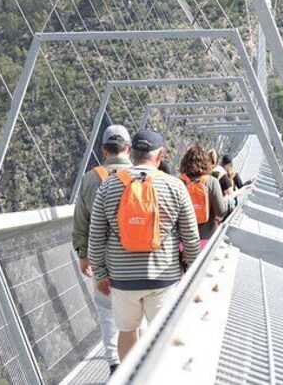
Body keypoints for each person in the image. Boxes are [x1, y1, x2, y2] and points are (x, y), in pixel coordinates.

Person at [88, 130, 200, 362]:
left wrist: (100, 274)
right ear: (160, 155)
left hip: (122, 278)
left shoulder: (108, 187)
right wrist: (192, 270)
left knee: (128, 331)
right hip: (163, 277)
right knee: (161, 334)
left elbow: (96, 236)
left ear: (132, 152)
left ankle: (129, 378)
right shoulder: (175, 186)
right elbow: (190, 237)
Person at [72, 124, 132, 375]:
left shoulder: (90, 178)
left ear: (103, 150)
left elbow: (81, 221)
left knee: (108, 312)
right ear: (128, 148)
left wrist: (83, 255)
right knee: (136, 308)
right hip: (135, 258)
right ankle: (141, 361)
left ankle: (114, 365)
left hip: (102, 260)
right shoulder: (143, 175)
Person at [179, 144, 231, 244]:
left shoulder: (179, 181)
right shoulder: (212, 182)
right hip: (206, 238)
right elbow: (221, 212)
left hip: (183, 239)